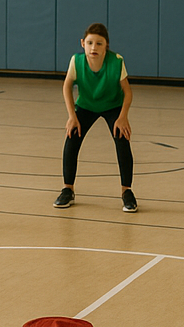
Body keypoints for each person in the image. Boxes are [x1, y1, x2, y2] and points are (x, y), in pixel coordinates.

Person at [53, 22, 137, 213]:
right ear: (83, 43)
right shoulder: (76, 61)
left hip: (112, 105)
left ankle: (127, 192)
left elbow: (128, 92)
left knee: (122, 139)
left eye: (99, 43)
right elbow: (67, 86)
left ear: (106, 45)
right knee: (72, 138)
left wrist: (123, 116)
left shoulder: (116, 61)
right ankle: (68, 189)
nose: (94, 47)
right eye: (90, 43)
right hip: (86, 105)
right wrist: (71, 116)